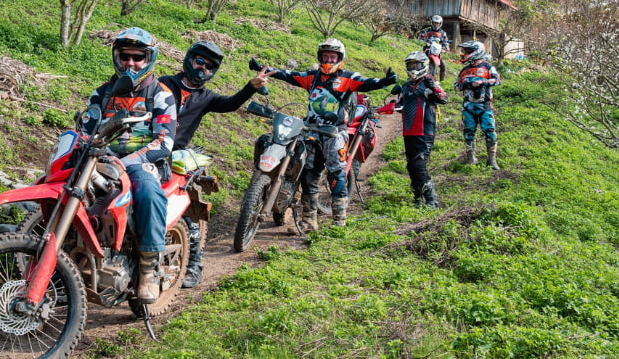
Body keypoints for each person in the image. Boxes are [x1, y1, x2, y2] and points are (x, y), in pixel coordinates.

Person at [159, 40, 271, 289]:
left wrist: (251, 87)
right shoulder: (163, 83)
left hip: (177, 156)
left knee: (183, 208)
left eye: (210, 66)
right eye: (200, 61)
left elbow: (230, 104)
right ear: (190, 59)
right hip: (148, 149)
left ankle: (194, 264)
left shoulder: (206, 97)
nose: (203, 68)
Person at [78, 27, 176, 304]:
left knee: (147, 191)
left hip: (143, 162)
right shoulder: (102, 93)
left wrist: (127, 161)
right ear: (116, 57)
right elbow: (86, 128)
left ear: (149, 59)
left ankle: (148, 269)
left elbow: (164, 142)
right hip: (101, 160)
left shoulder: (161, 95)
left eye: (137, 57)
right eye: (124, 56)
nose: (130, 63)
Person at [262, 38, 398, 230]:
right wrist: (265, 69)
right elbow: (288, 75)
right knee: (309, 175)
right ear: (320, 57)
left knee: (336, 175)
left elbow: (367, 82)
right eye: (325, 56)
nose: (328, 60)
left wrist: (384, 82)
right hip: (311, 132)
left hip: (335, 134)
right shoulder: (312, 77)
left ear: (339, 58)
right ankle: (309, 221)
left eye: (332, 57)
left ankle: (339, 221)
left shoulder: (348, 77)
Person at [395, 50, 448, 207]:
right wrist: (395, 103)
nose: (413, 68)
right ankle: (418, 197)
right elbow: (401, 105)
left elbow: (444, 99)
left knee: (419, 165)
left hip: (425, 130)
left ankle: (432, 200)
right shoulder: (406, 86)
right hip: (409, 130)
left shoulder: (428, 81)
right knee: (411, 165)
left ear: (423, 65)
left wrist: (435, 89)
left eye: (416, 65)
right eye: (410, 65)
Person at [454, 40, 501, 169]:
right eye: (466, 51)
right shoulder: (464, 70)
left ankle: (492, 161)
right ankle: (471, 158)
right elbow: (456, 86)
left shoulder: (487, 67)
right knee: (468, 132)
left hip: (484, 105)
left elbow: (498, 80)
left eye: (468, 52)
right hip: (468, 106)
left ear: (477, 52)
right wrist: (468, 84)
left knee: (490, 131)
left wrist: (482, 82)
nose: (466, 54)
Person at [419, 15, 450, 81]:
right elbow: (421, 39)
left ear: (440, 23)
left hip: (437, 53)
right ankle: (424, 79)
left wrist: (445, 47)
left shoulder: (443, 33)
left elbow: (445, 42)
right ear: (432, 23)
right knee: (426, 64)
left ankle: (442, 81)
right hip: (427, 51)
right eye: (435, 23)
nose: (436, 24)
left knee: (443, 65)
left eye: (437, 23)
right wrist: (424, 42)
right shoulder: (426, 31)